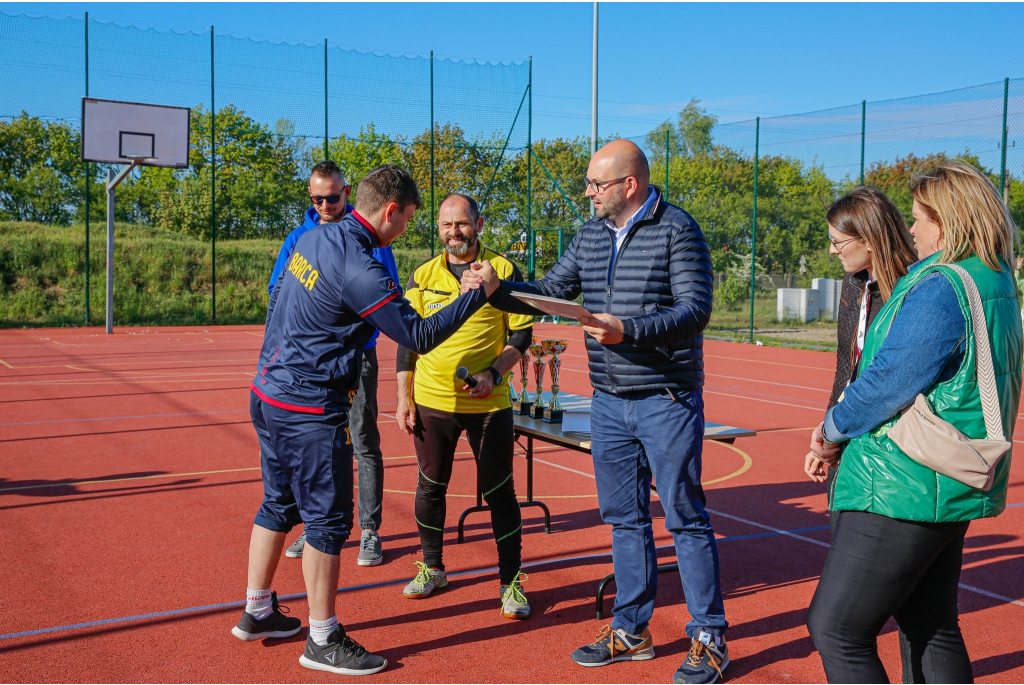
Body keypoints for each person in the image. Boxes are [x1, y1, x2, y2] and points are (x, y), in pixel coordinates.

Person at [464, 139, 728, 684]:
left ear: (628, 185)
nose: (588, 192)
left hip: (666, 399)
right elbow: (550, 291)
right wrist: (499, 290)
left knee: (684, 517)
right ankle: (631, 630)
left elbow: (695, 310)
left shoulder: (678, 229)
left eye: (596, 184)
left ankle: (708, 636)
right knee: (624, 519)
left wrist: (627, 330)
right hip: (608, 402)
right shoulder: (589, 235)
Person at [232, 165, 500, 676]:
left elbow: (277, 305)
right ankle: (322, 637)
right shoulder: (361, 263)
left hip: (268, 392)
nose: (406, 232)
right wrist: (474, 297)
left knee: (277, 502)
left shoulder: (313, 237)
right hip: (308, 408)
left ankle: (258, 609)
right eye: (409, 221)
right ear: (391, 210)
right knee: (329, 522)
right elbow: (416, 336)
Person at [807, 161, 1021, 683]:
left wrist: (830, 431)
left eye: (919, 218)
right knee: (930, 624)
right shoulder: (994, 280)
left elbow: (886, 382)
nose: (913, 229)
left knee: (837, 628)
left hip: (902, 481)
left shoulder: (942, 285)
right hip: (942, 479)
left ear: (946, 222)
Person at [394, 193, 534, 618]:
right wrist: (403, 395)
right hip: (431, 401)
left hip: (489, 403)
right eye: (445, 225)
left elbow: (521, 337)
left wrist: (493, 373)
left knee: (499, 492)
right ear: (437, 229)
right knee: (430, 486)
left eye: (461, 224)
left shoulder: (504, 270)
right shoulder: (422, 274)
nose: (454, 232)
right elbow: (407, 340)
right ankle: (433, 568)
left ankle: (511, 583)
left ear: (479, 223)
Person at [269, 161, 398, 567]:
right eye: (317, 198)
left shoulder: (374, 240)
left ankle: (370, 531)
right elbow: (277, 295)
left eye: (333, 196)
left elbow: (388, 298)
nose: (325, 204)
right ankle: (314, 525)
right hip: (309, 363)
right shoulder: (299, 238)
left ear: (347, 194)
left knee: (363, 439)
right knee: (313, 444)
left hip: (357, 356)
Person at [803, 186, 918, 529]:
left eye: (838, 242)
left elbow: (896, 380)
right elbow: (845, 366)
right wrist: (828, 434)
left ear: (869, 239)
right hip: (850, 432)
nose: (831, 249)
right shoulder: (854, 284)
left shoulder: (914, 288)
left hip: (894, 449)